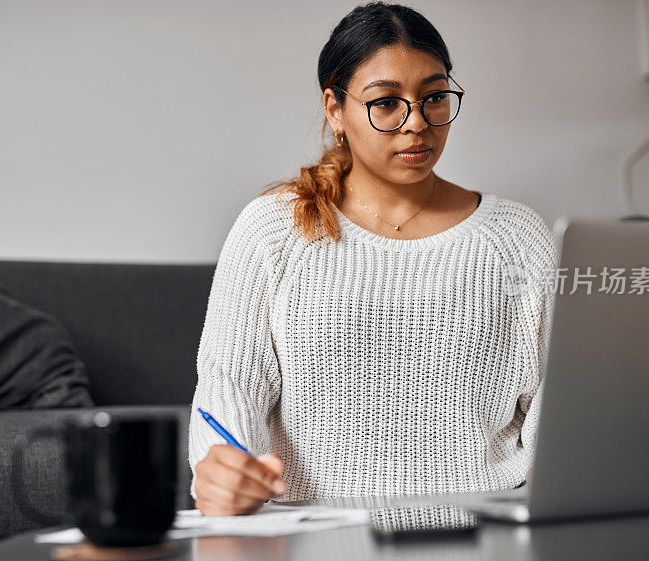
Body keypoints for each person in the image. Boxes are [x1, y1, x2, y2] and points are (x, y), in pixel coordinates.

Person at [189, 1, 556, 516]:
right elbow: (229, 391)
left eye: (433, 97)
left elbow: (554, 406)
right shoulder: (274, 230)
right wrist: (224, 471)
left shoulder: (518, 237)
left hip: (484, 528)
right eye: (386, 103)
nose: (417, 125)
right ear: (335, 110)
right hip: (312, 535)